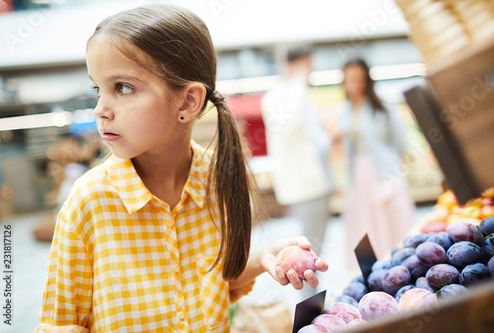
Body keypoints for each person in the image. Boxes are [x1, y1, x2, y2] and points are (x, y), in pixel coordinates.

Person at [34, 5, 328, 333]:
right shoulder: (89, 202)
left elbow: (215, 286)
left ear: (187, 102)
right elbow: (60, 326)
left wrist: (260, 261)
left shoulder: (217, 179)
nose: (100, 109)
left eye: (123, 87)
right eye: (97, 89)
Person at [261, 47, 333, 296]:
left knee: (314, 254)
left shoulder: (297, 94)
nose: (309, 73)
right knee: (307, 257)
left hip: (316, 186)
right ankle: (311, 315)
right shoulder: (280, 97)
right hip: (306, 188)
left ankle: (314, 311)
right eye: (306, 67)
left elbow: (316, 141)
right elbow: (286, 127)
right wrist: (297, 82)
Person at [337, 57, 416, 268]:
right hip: (358, 174)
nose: (354, 84)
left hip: (384, 171)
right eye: (349, 79)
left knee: (392, 223)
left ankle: (400, 267)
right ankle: (375, 271)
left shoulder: (382, 107)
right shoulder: (344, 110)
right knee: (366, 225)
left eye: (358, 79)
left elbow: (400, 143)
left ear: (366, 80)